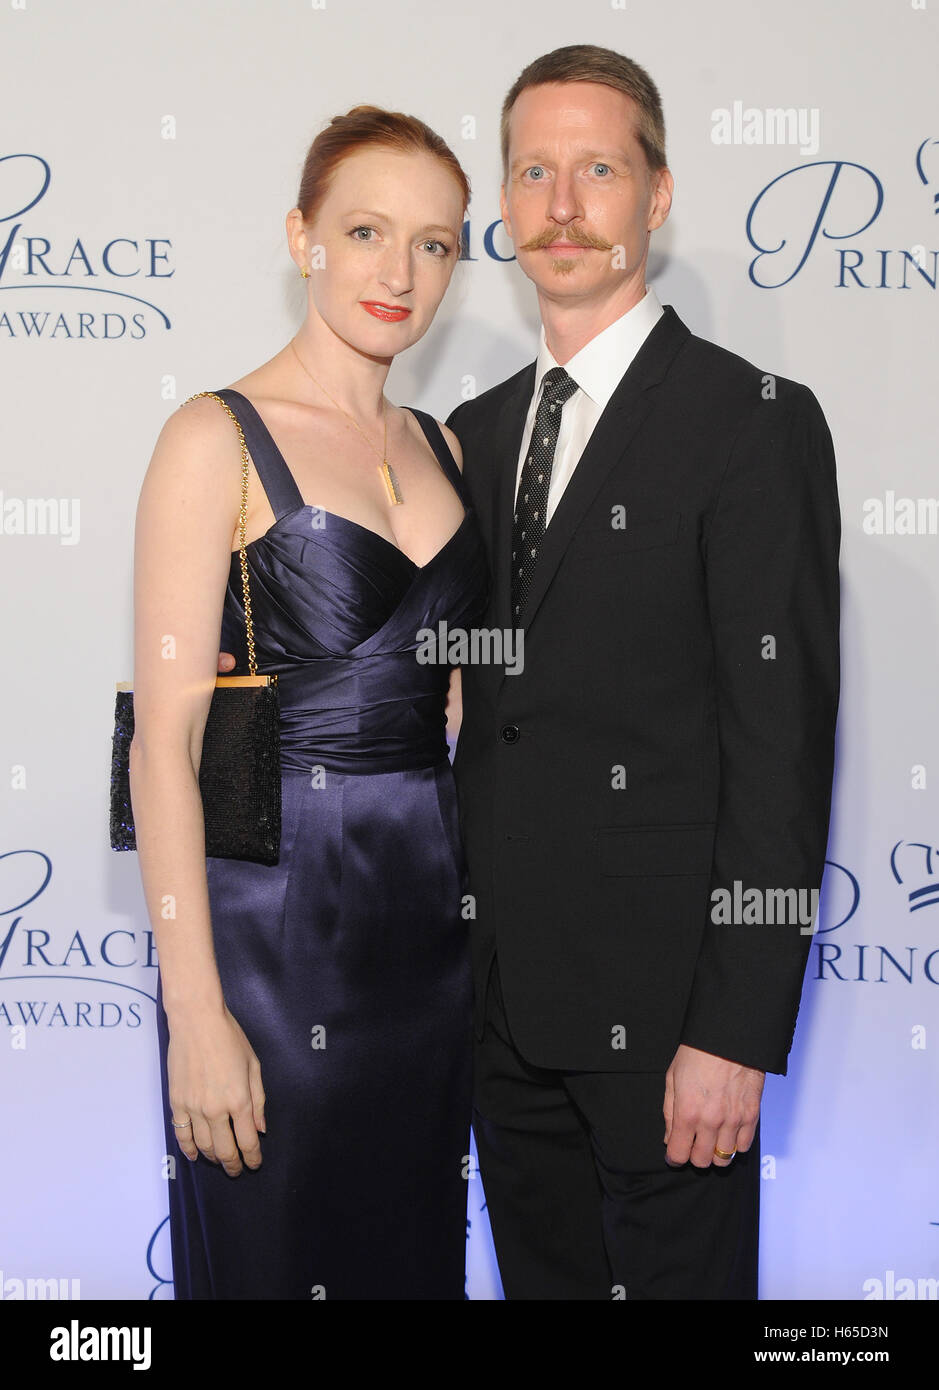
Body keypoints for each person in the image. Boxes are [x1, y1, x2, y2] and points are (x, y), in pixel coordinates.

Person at [445, 46, 841, 1299]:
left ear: (656, 197)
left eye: (599, 169)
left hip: (672, 1028)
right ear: (504, 205)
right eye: (534, 172)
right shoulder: (475, 432)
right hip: (498, 1015)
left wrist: (733, 1029)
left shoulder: (755, 418)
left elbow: (780, 745)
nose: (563, 205)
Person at [130, 106, 487, 1299]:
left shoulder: (447, 446)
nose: (400, 272)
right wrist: (197, 1011)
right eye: (369, 231)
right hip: (272, 947)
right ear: (303, 237)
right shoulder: (215, 438)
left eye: (436, 244)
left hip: (431, 944)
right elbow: (166, 742)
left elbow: (454, 696)